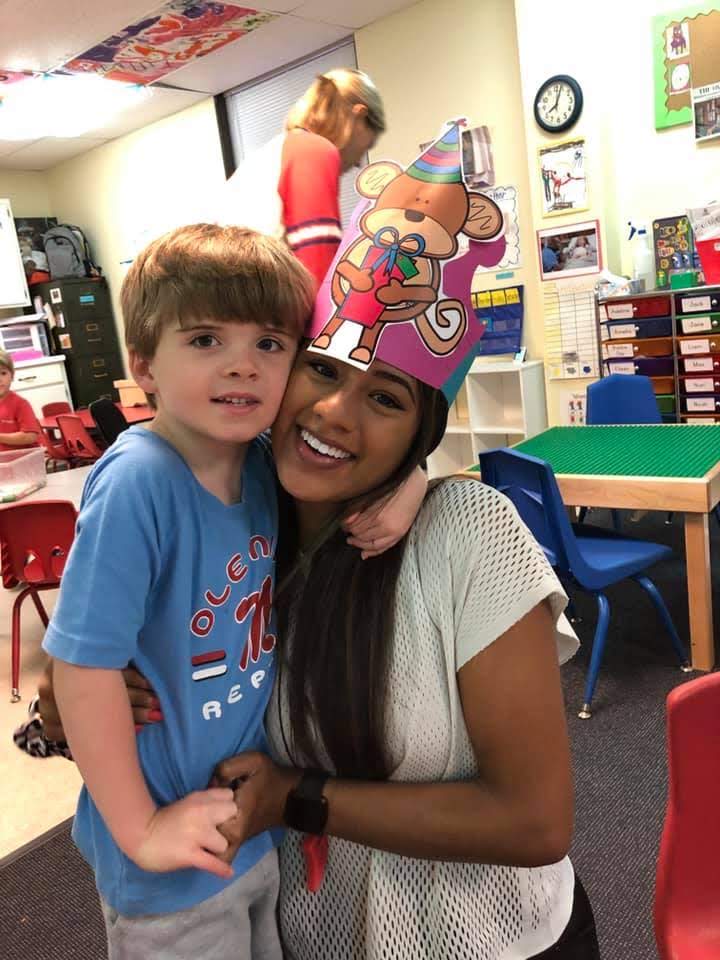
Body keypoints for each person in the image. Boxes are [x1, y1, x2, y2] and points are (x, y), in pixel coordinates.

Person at [35, 343, 599, 958]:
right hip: (296, 933)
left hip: (496, 940)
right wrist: (78, 703)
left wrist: (295, 798)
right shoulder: (221, 526)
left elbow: (535, 821)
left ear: (420, 433)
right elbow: (140, 698)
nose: (334, 410)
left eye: (386, 398)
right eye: (322, 369)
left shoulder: (470, 532)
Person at [39, 223, 422, 960]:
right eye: (207, 341)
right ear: (144, 364)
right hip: (167, 851)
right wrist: (140, 830)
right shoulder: (138, 482)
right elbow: (82, 671)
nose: (243, 367)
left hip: (244, 829)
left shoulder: (257, 465)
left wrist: (409, 481)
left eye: (270, 345)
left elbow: (353, 461)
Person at [223, 68, 386, 289]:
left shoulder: (275, 152)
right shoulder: (312, 150)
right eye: (367, 145)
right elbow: (318, 268)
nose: (358, 162)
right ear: (358, 116)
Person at [0, 349, 43, 452]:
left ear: (12, 375)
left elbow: (30, 436)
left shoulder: (20, 404)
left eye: (3, 373)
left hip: (24, 462)